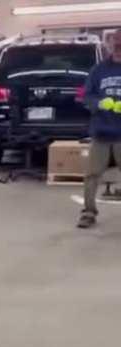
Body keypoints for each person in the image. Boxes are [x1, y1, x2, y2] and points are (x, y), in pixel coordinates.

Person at [78, 29, 121, 228]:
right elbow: (86, 96)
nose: (118, 47)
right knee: (92, 174)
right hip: (101, 132)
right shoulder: (99, 70)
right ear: (110, 44)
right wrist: (99, 103)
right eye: (116, 43)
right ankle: (88, 212)